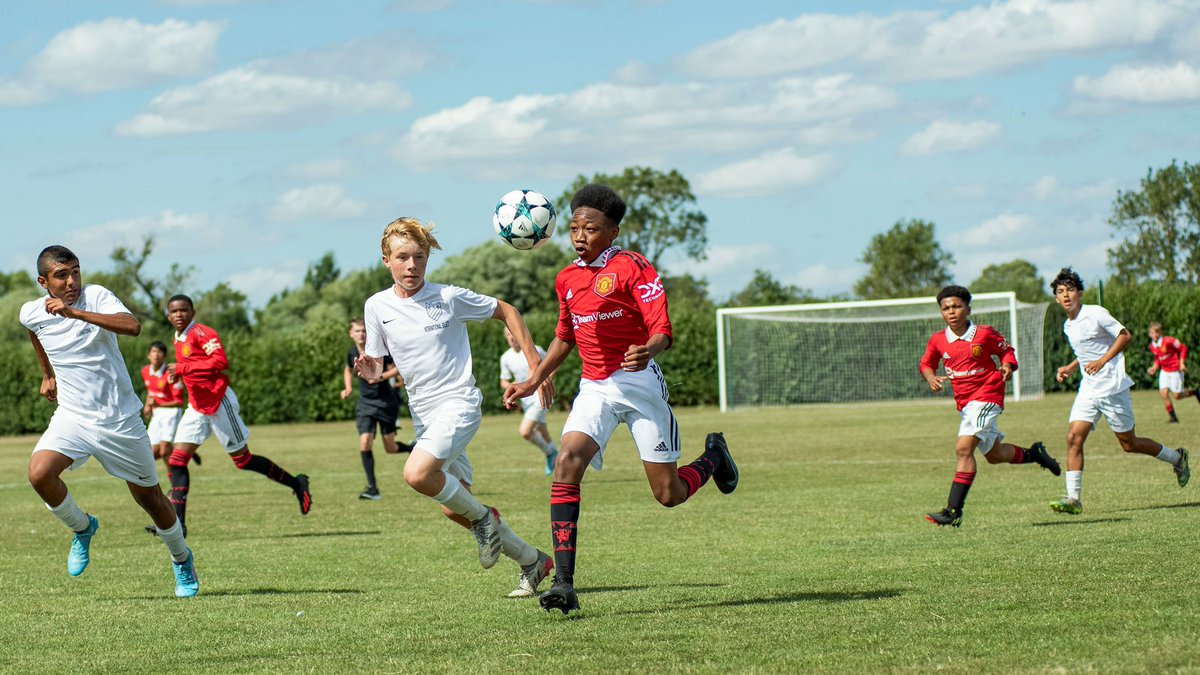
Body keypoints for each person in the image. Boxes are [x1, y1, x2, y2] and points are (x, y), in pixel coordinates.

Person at [503, 183, 738, 615]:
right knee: (567, 461)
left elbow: (662, 328)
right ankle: (565, 584)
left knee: (667, 494)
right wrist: (534, 379)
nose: (579, 235)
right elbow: (564, 338)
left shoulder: (633, 267)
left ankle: (714, 458)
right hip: (595, 387)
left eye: (590, 228)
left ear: (612, 232)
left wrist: (648, 349)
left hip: (640, 384)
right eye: (574, 227)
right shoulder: (567, 279)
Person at [354, 217, 554, 599]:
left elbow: (507, 310)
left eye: (420, 257)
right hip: (424, 413)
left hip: (459, 402)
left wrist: (535, 367)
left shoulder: (447, 297)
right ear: (386, 260)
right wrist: (369, 369)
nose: (412, 265)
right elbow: (377, 364)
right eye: (402, 257)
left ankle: (485, 519)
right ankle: (533, 561)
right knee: (452, 506)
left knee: (416, 474)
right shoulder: (376, 306)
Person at [20, 245, 198, 597]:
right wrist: (46, 373)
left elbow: (132, 327)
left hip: (120, 421)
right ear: (44, 281)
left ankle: (181, 559)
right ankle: (83, 528)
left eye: (75, 271)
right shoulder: (31, 312)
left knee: (151, 501)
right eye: (61, 275)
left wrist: (76, 313)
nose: (72, 281)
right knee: (39, 473)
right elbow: (33, 330)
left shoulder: (96, 296)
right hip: (73, 416)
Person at [164, 294, 312, 533]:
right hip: (197, 406)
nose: (179, 315)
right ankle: (178, 525)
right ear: (168, 316)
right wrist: (179, 374)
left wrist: (183, 368)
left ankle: (297, 483)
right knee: (177, 461)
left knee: (243, 461)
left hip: (218, 401)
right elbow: (194, 368)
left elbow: (220, 361)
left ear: (193, 312)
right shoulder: (178, 338)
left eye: (183, 310)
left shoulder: (202, 332)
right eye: (174, 311)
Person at [919, 285, 1062, 527]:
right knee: (995, 455)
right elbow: (926, 364)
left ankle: (953, 511)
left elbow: (1007, 353)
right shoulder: (938, 340)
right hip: (966, 404)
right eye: (946, 308)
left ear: (968, 309)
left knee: (964, 449)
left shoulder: (984, 334)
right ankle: (1035, 454)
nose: (951, 312)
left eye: (957, 306)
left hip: (987, 395)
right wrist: (931, 377)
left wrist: (1007, 366)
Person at [1050, 268, 1189, 514]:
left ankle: (1177, 458)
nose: (1066, 295)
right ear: (1056, 299)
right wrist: (1072, 367)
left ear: (1080, 293)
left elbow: (1125, 336)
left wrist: (1102, 361)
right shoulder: (1067, 326)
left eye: (1070, 289)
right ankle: (1074, 499)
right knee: (1073, 437)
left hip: (1112, 387)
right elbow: (1085, 354)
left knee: (1129, 444)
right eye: (1060, 292)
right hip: (1089, 389)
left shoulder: (1095, 313)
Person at [341, 317, 413, 500]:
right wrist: (348, 387)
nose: (361, 334)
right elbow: (348, 369)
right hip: (365, 403)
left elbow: (398, 368)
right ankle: (372, 489)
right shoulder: (351, 353)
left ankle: (412, 449)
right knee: (365, 442)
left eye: (364, 330)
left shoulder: (379, 350)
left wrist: (379, 376)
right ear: (351, 334)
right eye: (357, 331)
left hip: (386, 403)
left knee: (390, 448)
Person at [499, 326, 559, 475]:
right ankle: (555, 456)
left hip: (541, 395)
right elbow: (503, 380)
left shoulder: (535, 349)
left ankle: (551, 454)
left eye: (513, 334)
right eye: (508, 335)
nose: (511, 338)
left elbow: (553, 364)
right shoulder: (505, 357)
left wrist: (546, 380)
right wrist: (512, 388)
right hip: (525, 399)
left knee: (525, 431)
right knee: (541, 431)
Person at [141, 340, 198, 467]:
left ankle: (176, 482)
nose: (156, 355)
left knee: (164, 448)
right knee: (153, 453)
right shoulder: (145, 371)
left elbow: (178, 402)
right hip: (157, 414)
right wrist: (147, 406)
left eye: (159, 352)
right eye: (153, 352)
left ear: (164, 356)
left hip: (171, 413)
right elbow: (151, 393)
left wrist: (158, 404)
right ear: (148, 355)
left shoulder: (171, 373)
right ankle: (182, 451)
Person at [1146, 322, 1199, 423]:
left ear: (1160, 332)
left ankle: (1195, 392)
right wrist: (1154, 368)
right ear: (1150, 334)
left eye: (1157, 332)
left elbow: (1183, 348)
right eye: (1153, 333)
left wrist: (1182, 363)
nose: (1155, 335)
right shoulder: (1152, 346)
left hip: (1175, 371)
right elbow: (1158, 359)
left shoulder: (1169, 341)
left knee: (1177, 396)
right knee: (1163, 393)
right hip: (1164, 371)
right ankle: (1173, 418)